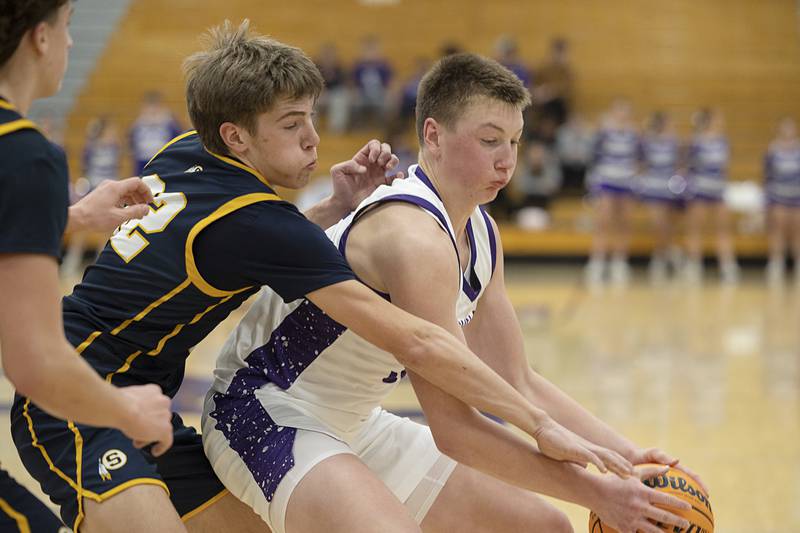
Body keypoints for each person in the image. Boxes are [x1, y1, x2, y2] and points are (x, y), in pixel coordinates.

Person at [11, 20, 627, 533]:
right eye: (291, 125)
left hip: (148, 397)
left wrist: (330, 212)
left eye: (309, 118)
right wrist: (541, 427)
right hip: (74, 392)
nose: (312, 140)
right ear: (235, 136)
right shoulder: (267, 221)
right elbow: (413, 340)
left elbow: (238, 236)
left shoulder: (187, 151)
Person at [203, 53, 703, 533]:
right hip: (262, 408)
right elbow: (456, 428)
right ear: (433, 135)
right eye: (489, 140)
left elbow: (518, 379)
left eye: (514, 141)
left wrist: (628, 457)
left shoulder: (482, 231)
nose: (506, 160)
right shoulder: (412, 236)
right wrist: (598, 493)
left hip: (355, 421)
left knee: (543, 526)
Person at [0, 0, 172, 529]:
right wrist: (129, 411)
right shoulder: (27, 154)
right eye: (68, 26)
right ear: (40, 38)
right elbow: (36, 365)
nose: (72, 43)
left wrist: (70, 217)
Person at [584, 98, 640, 286]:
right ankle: (597, 262)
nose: (622, 116)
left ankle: (619, 262)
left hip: (626, 181)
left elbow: (640, 157)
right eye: (619, 112)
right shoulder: (604, 132)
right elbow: (592, 154)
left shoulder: (634, 135)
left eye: (625, 112)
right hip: (607, 181)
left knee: (623, 223)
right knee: (603, 221)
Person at [684, 108, 739, 283]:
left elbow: (724, 167)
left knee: (723, 228)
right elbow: (688, 166)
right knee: (696, 228)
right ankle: (694, 265)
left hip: (717, 191)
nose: (721, 122)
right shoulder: (695, 141)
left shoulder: (723, 141)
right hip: (699, 190)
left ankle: (727, 265)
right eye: (717, 119)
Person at [637, 111, 686, 282]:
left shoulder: (674, 142)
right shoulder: (647, 142)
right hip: (652, 187)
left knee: (667, 224)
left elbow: (680, 164)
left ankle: (664, 254)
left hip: (669, 188)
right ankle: (665, 255)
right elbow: (641, 162)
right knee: (657, 222)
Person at [764, 116, 800, 284]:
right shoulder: (773, 150)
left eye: (790, 127)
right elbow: (767, 176)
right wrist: (768, 201)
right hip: (778, 197)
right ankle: (776, 263)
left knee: (796, 232)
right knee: (778, 230)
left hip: (797, 198)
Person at [129, 90, 182, 175]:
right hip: (142, 161)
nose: (152, 110)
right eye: (149, 107)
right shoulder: (139, 123)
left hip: (161, 160)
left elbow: (177, 139)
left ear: (160, 107)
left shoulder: (169, 122)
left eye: (155, 107)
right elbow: (132, 142)